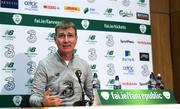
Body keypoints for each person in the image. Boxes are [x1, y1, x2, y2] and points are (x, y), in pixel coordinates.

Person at [29, 20, 93, 106]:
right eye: (61, 36)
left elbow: (93, 95)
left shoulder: (84, 65)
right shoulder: (44, 64)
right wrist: (43, 102)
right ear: (55, 39)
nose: (66, 40)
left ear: (76, 39)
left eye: (70, 36)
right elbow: (34, 97)